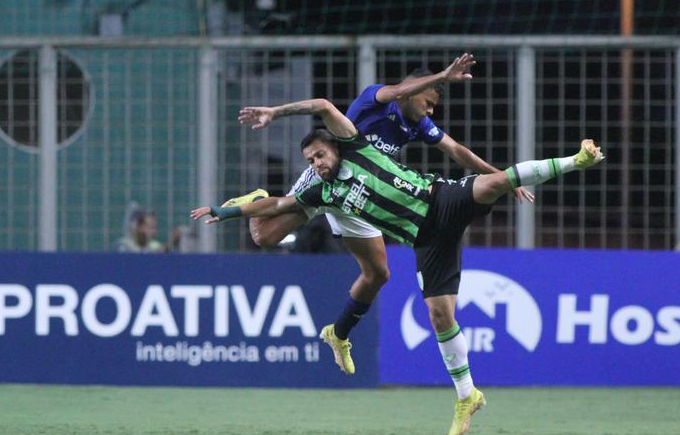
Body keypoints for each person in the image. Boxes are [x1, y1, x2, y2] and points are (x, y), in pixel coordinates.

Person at [192, 98, 604, 435]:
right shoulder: (323, 192)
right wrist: (224, 212)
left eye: (320, 154)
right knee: (440, 315)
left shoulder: (355, 146)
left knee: (495, 181)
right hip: (426, 242)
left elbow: (321, 105)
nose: (316, 162)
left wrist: (276, 113)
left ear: (336, 147)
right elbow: (279, 205)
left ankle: (576, 160)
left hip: (441, 200)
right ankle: (468, 395)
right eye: (310, 159)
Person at [220, 53, 533, 339]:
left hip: (358, 199)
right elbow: (394, 92)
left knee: (378, 274)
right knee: (264, 237)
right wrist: (443, 75)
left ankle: (338, 334)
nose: (431, 109)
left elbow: (456, 151)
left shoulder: (419, 124)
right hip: (330, 184)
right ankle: (255, 199)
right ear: (413, 88)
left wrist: (500, 177)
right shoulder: (379, 98)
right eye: (429, 100)